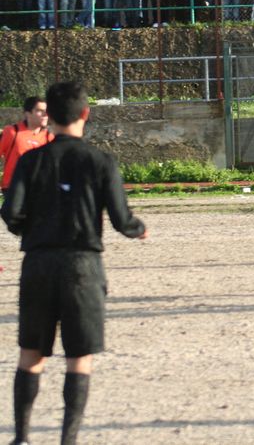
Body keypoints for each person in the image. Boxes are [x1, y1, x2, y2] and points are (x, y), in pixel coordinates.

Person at [1, 81, 148, 445]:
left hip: (38, 263)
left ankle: (22, 437)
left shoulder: (32, 160)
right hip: (83, 265)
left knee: (31, 352)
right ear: (85, 113)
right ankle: (68, 439)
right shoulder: (100, 161)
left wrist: (32, 232)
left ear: (48, 116)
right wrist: (138, 229)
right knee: (79, 355)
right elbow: (121, 219)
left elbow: (11, 212)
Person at [0, 97, 53, 193]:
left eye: (46, 111)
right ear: (27, 114)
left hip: (38, 190)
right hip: (13, 187)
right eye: (40, 111)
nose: (45, 115)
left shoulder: (49, 137)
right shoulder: (12, 132)